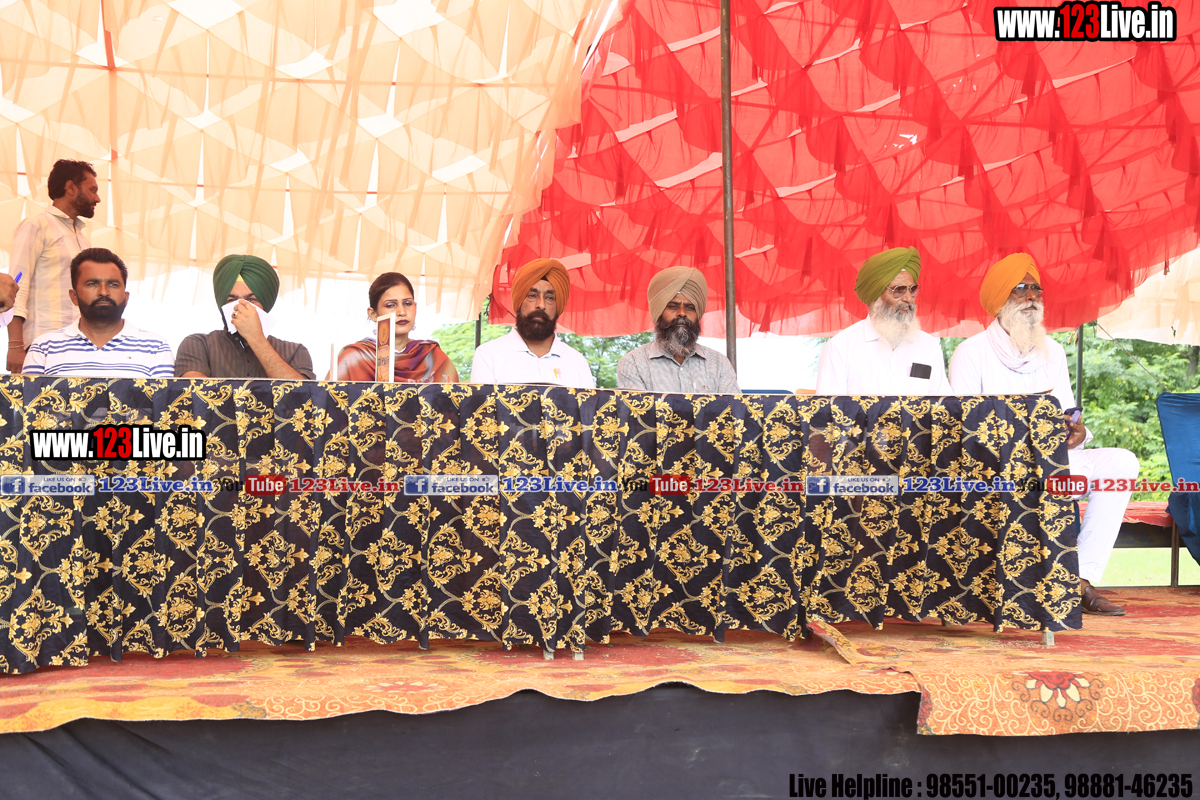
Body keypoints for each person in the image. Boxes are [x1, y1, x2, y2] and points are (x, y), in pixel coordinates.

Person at [949, 253, 1138, 616]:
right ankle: (1044, 583)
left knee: (1122, 463)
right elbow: (964, 429)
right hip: (1000, 469)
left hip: (1054, 462)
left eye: (1036, 288)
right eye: (1020, 288)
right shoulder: (970, 353)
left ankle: (1079, 579)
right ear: (1000, 300)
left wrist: (1078, 433)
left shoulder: (1053, 351)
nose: (1032, 296)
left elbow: (1065, 413)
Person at [7, 159, 101, 373]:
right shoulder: (37, 225)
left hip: (80, 347)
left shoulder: (82, 238)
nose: (97, 198)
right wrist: (15, 345)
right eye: (93, 190)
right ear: (71, 187)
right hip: (42, 347)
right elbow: (15, 287)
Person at [816, 246, 951, 395]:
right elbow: (829, 407)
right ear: (876, 296)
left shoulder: (928, 345)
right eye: (898, 290)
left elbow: (942, 404)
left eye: (912, 289)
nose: (908, 298)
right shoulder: (841, 347)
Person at [22, 248, 173, 378]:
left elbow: (163, 403)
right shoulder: (44, 347)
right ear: (74, 296)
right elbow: (30, 402)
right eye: (92, 283)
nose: (103, 292)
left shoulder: (156, 347)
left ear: (126, 297)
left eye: (113, 284)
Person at [175, 255, 315, 380]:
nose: (240, 306)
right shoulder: (197, 345)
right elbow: (195, 394)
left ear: (266, 303)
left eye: (251, 300)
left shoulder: (295, 352)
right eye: (232, 300)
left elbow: (301, 395)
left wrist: (256, 338)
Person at [471, 258, 595, 388]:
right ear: (519, 302)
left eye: (549, 298)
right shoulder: (488, 355)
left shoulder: (577, 362)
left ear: (558, 307)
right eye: (532, 296)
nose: (541, 305)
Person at [616, 266, 739, 393]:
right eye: (673, 306)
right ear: (659, 312)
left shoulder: (719, 363)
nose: (682, 313)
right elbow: (637, 406)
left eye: (690, 307)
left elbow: (734, 405)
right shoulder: (633, 363)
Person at [336, 272, 458, 382]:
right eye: (390, 305)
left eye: (407, 303)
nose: (402, 312)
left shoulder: (434, 357)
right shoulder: (353, 358)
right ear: (373, 314)